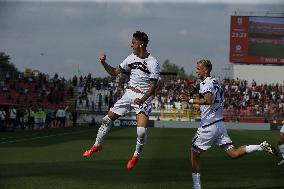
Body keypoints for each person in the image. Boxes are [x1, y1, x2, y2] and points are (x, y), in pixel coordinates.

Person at [179, 59, 277, 189]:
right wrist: (201, 108)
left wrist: (190, 100)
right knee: (233, 154)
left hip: (209, 126)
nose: (197, 70)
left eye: (199, 68)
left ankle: (197, 187)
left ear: (206, 70)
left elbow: (208, 100)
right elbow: (213, 102)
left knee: (194, 154)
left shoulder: (206, 83)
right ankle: (260, 146)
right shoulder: (215, 82)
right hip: (219, 125)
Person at [82, 31, 160, 170]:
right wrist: (103, 62)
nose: (131, 45)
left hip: (143, 97)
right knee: (107, 119)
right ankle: (97, 145)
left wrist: (142, 99)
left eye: (133, 42)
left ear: (141, 44)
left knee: (141, 132)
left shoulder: (153, 62)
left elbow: (153, 86)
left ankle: (135, 156)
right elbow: (114, 72)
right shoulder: (131, 58)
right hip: (129, 94)